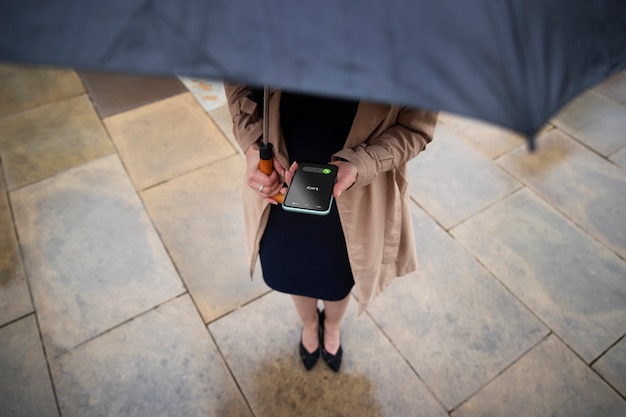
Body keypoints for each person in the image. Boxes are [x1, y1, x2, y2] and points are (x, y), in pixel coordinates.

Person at [225, 84, 437, 372]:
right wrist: (252, 144)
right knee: (293, 270)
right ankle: (309, 324)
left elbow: (416, 129)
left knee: (338, 274)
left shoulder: (417, 44)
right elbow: (238, 82)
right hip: (279, 180)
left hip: (356, 191)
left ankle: (333, 325)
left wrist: (362, 164)